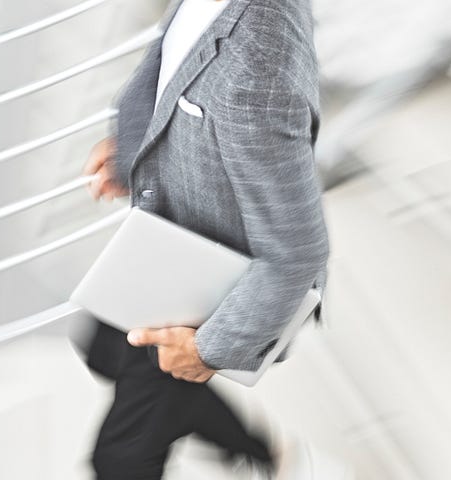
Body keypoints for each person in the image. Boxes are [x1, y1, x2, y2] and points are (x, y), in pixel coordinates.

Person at [76, 0, 328, 478]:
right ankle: (266, 453)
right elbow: (176, 73)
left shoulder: (257, 59)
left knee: (121, 461)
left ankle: (268, 454)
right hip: (171, 244)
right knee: (103, 348)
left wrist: (209, 350)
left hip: (213, 290)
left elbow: (297, 250)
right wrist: (136, 150)